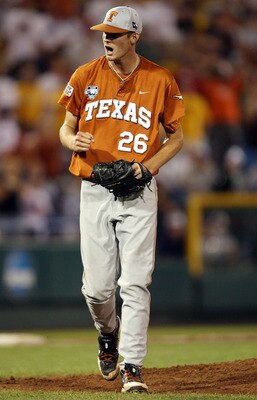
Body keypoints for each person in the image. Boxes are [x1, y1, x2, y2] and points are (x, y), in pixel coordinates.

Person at [58, 5, 185, 394]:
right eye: (104, 33)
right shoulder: (85, 75)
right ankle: (107, 331)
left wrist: (147, 169)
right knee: (96, 289)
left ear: (135, 37)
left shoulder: (160, 79)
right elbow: (65, 129)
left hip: (139, 190)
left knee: (134, 282)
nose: (107, 39)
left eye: (115, 33)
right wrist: (71, 140)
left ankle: (132, 364)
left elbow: (176, 137)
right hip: (95, 187)